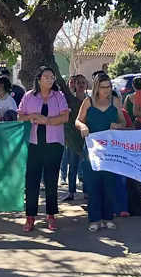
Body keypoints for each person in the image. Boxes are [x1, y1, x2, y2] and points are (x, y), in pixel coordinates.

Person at [18, 66, 70, 231]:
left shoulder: (59, 96)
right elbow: (20, 116)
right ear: (39, 79)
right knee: (31, 182)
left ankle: (51, 215)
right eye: (46, 77)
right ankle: (30, 216)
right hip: (33, 145)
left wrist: (45, 120)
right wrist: (34, 116)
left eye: (52, 77)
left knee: (51, 181)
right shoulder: (29, 96)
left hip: (53, 144)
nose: (50, 80)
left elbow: (65, 117)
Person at [76, 73, 126, 231]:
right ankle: (94, 219)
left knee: (109, 183)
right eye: (103, 87)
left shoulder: (115, 101)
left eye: (109, 87)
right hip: (92, 149)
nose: (106, 90)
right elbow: (78, 120)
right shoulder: (88, 102)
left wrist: (118, 125)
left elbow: (123, 121)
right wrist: (82, 127)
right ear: (97, 87)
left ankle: (108, 217)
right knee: (93, 184)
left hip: (110, 150)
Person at [63, 74, 88, 201]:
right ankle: (71, 191)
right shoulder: (70, 100)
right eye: (78, 82)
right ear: (75, 84)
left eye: (83, 82)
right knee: (72, 164)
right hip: (73, 136)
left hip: (85, 136)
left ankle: (86, 191)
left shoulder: (89, 101)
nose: (81, 85)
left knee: (86, 165)